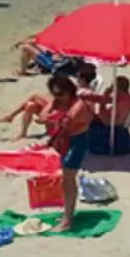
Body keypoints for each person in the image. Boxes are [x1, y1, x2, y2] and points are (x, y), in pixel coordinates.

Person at [42, 74, 96, 232]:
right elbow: (42, 117)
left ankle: (67, 220)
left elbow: (67, 119)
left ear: (69, 91)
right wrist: (52, 109)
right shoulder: (57, 102)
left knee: (68, 179)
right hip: (65, 141)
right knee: (66, 180)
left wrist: (52, 116)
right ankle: (68, 214)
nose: (58, 98)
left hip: (78, 141)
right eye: (54, 94)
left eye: (61, 94)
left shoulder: (79, 104)